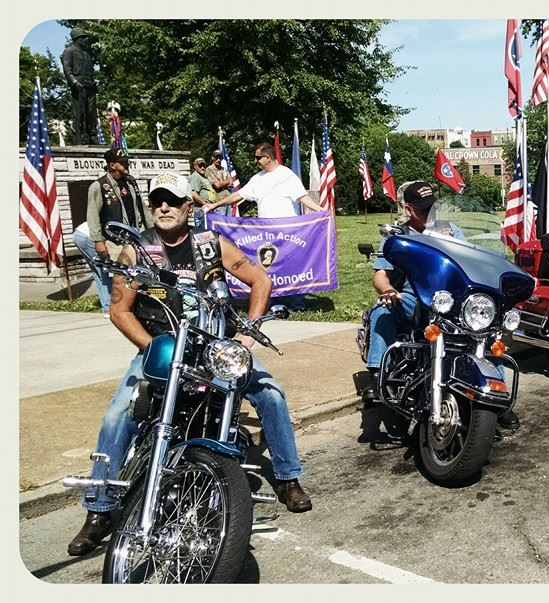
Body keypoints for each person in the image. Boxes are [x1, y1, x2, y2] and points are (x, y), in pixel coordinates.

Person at [67, 173, 313, 557]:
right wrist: (153, 348)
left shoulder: (211, 243)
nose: (164, 207)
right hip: (162, 348)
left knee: (271, 394)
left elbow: (260, 280)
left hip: (217, 347)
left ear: (188, 206)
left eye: (172, 200)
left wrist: (246, 334)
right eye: (157, 201)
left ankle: (287, 478)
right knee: (117, 416)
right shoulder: (137, 250)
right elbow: (119, 310)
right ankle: (99, 509)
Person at [360, 181, 520, 431]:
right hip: (415, 297)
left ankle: (497, 400)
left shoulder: (451, 230)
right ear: (408, 209)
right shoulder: (399, 236)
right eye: (424, 209)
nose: (431, 213)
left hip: (452, 300)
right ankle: (376, 375)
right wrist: (388, 291)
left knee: (486, 333)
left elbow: (476, 260)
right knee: (382, 312)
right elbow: (381, 275)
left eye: (433, 207)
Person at [203, 143, 324, 311]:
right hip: (265, 233)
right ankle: (273, 301)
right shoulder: (257, 179)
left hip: (287, 232)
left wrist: (319, 210)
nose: (256, 161)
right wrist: (215, 205)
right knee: (270, 267)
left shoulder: (287, 175)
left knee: (291, 266)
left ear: (267, 157)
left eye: (258, 158)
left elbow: (302, 196)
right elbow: (238, 195)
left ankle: (297, 303)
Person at [81, 148, 153, 317]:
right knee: (121, 275)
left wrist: (152, 231)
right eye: (122, 162)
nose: (126, 164)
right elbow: (92, 215)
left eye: (126, 161)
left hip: (136, 236)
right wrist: (98, 241)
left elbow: (142, 208)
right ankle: (119, 309)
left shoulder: (130, 182)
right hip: (114, 240)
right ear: (112, 165)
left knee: (141, 272)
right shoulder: (99, 186)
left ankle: (139, 306)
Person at [60, 28, 98, 145]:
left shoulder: (87, 53)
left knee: (91, 112)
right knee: (79, 112)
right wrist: (74, 82)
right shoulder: (69, 51)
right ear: (77, 39)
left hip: (90, 85)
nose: (85, 39)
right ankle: (78, 136)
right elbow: (67, 69)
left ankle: (92, 135)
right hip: (78, 85)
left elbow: (90, 70)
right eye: (83, 37)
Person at [188, 157, 217, 228]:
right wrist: (206, 204)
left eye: (204, 165)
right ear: (195, 167)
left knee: (209, 230)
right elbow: (194, 194)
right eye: (200, 166)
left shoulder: (203, 177)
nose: (202, 168)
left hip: (207, 209)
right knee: (202, 231)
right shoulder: (195, 176)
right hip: (201, 210)